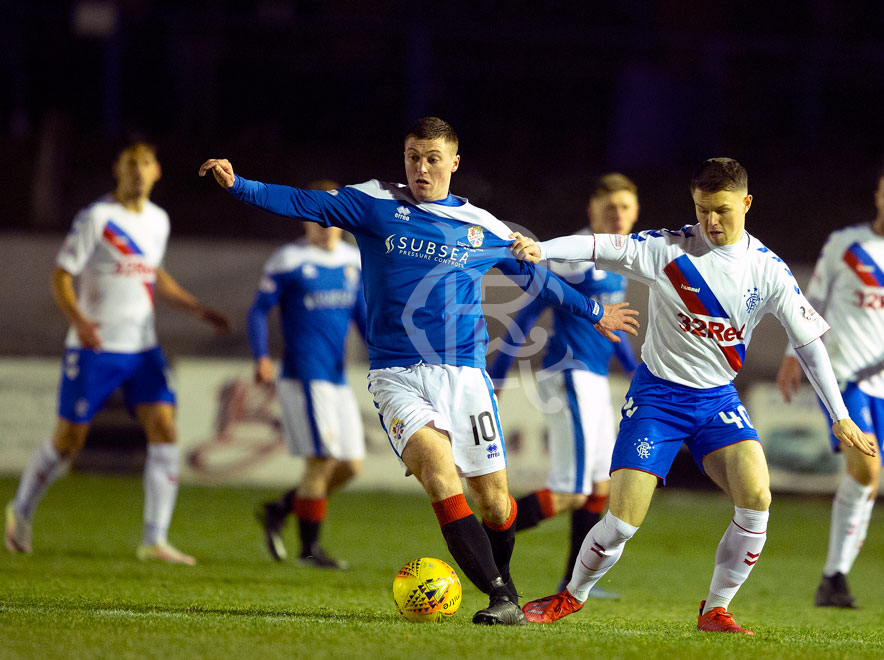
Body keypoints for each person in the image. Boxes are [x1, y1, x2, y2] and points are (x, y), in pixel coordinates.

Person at [198, 117, 639, 625]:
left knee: (495, 503)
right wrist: (240, 185)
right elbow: (303, 202)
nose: (421, 167)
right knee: (438, 473)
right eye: (412, 156)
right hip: (397, 375)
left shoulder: (483, 227)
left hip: (466, 377)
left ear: (454, 162)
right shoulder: (374, 202)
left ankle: (504, 587)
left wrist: (596, 311)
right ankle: (501, 596)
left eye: (432, 158)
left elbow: (541, 282)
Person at [510, 157, 876, 634]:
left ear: (747, 203)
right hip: (658, 399)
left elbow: (809, 344)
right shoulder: (666, 249)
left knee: (757, 497)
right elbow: (598, 245)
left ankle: (716, 609)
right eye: (703, 210)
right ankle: (571, 595)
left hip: (717, 402)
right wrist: (542, 248)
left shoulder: (768, 269)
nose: (711, 221)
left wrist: (839, 416)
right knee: (621, 523)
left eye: (722, 210)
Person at [4, 142, 231, 565]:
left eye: (145, 164)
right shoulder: (97, 218)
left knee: (164, 429)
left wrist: (195, 306)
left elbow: (151, 271)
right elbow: (61, 276)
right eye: (131, 165)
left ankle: (154, 540)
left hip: (143, 348)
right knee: (68, 443)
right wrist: (79, 321)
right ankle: (20, 510)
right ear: (117, 170)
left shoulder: (159, 221)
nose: (138, 173)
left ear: (157, 171)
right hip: (95, 348)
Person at [775, 160, 884, 608]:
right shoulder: (847, 245)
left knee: (868, 482)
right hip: (843, 376)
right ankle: (835, 576)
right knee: (866, 468)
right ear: (877, 195)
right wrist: (794, 355)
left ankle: (834, 577)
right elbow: (810, 302)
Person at [488, 173, 640, 599]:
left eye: (625, 208)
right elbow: (526, 316)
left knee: (598, 487)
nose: (618, 216)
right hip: (569, 375)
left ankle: (573, 582)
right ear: (592, 212)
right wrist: (497, 378)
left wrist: (635, 372)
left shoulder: (619, 257)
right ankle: (484, 539)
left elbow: (614, 329)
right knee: (571, 492)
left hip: (592, 377)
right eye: (610, 208)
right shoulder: (574, 256)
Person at [247, 180, 368, 570]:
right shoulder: (288, 259)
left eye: (332, 215)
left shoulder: (353, 261)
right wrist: (262, 356)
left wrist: (384, 354)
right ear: (305, 219)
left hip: (336, 376)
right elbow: (257, 311)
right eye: (317, 215)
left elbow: (361, 317)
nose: (325, 222)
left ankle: (281, 509)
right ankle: (309, 550)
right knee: (321, 460)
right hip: (302, 375)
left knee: (350, 466)